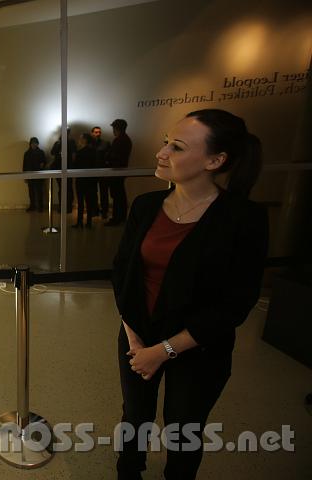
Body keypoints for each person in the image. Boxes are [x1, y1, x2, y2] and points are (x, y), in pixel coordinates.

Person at [111, 109, 268, 479]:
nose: (161, 152)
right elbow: (124, 273)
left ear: (215, 160)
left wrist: (164, 351)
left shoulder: (243, 218)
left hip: (199, 348)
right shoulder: (146, 206)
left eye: (177, 147)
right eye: (166, 141)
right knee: (135, 416)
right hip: (138, 336)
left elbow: (235, 303)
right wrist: (134, 336)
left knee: (184, 429)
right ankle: (127, 472)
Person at [105, 119, 132, 226]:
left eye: (114, 128)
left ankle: (117, 218)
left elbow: (113, 156)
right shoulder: (126, 139)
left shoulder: (119, 140)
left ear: (117, 128)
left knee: (117, 195)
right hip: (120, 171)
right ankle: (121, 217)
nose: (113, 130)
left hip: (116, 172)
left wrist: (107, 156)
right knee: (119, 195)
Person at [73, 133, 97, 228]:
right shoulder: (93, 152)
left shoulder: (79, 153)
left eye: (80, 138)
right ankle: (89, 222)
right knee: (89, 201)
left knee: (80, 202)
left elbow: (75, 166)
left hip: (81, 180)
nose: (79, 140)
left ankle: (79, 222)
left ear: (84, 140)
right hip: (90, 180)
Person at [50, 128, 76, 212]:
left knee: (68, 188)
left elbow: (73, 155)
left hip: (67, 168)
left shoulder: (71, 142)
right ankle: (62, 207)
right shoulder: (58, 143)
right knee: (62, 188)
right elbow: (52, 152)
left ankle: (68, 207)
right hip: (59, 168)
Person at [90, 126, 111, 218]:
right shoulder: (89, 144)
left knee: (104, 192)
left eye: (99, 132)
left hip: (103, 171)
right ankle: (95, 210)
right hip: (92, 171)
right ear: (92, 133)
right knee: (93, 192)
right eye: (96, 132)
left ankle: (104, 211)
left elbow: (109, 156)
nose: (98, 134)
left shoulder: (106, 143)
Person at [23, 137, 46, 212]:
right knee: (31, 192)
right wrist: (25, 176)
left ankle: (40, 207)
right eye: (32, 143)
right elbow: (24, 165)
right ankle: (32, 206)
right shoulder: (27, 153)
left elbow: (44, 162)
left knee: (39, 191)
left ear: (37, 144)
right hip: (30, 175)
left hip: (39, 174)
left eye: (35, 143)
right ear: (30, 144)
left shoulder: (41, 152)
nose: (34, 144)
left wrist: (43, 165)